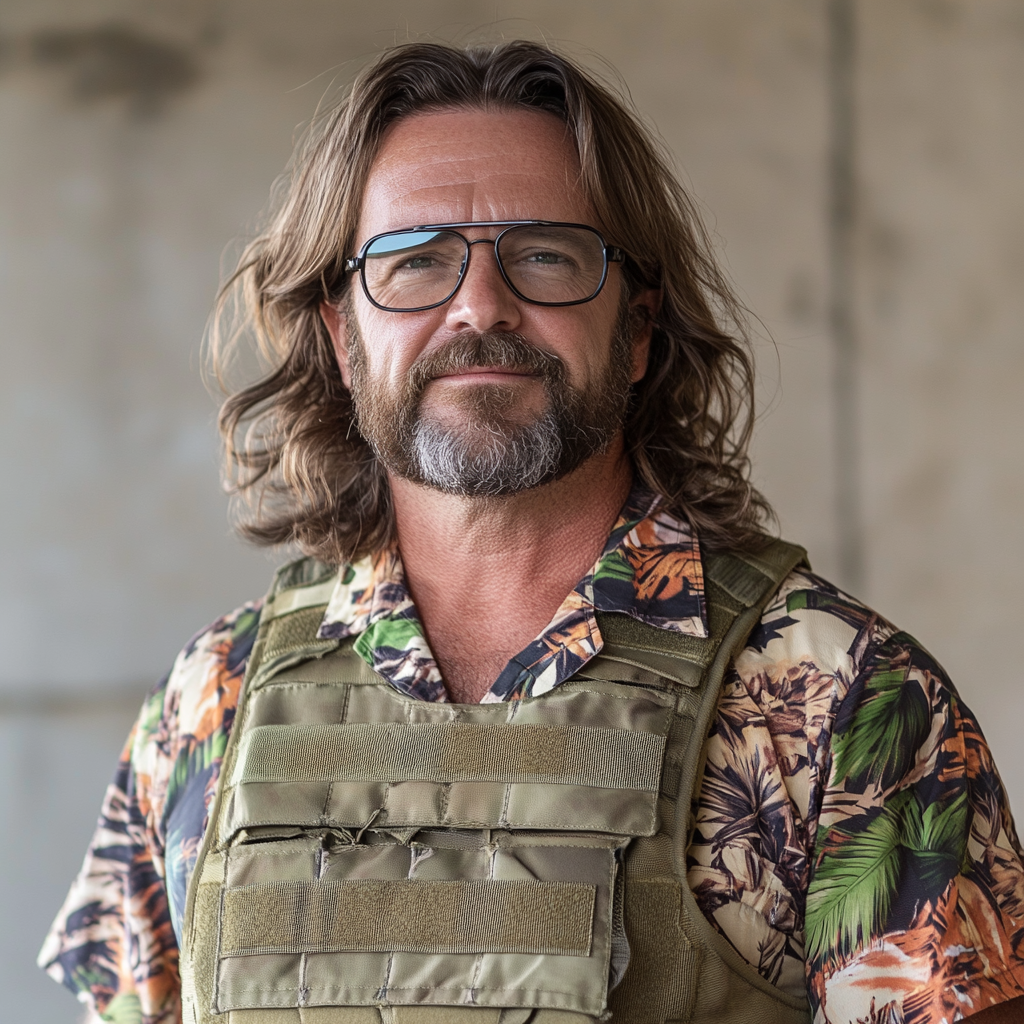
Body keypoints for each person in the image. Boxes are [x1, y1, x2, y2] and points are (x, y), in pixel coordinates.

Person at [39, 40, 1024, 1024]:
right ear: (343, 340)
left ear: (637, 332)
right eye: (414, 260)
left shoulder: (842, 699)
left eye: (544, 255)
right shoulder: (208, 704)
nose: (479, 304)